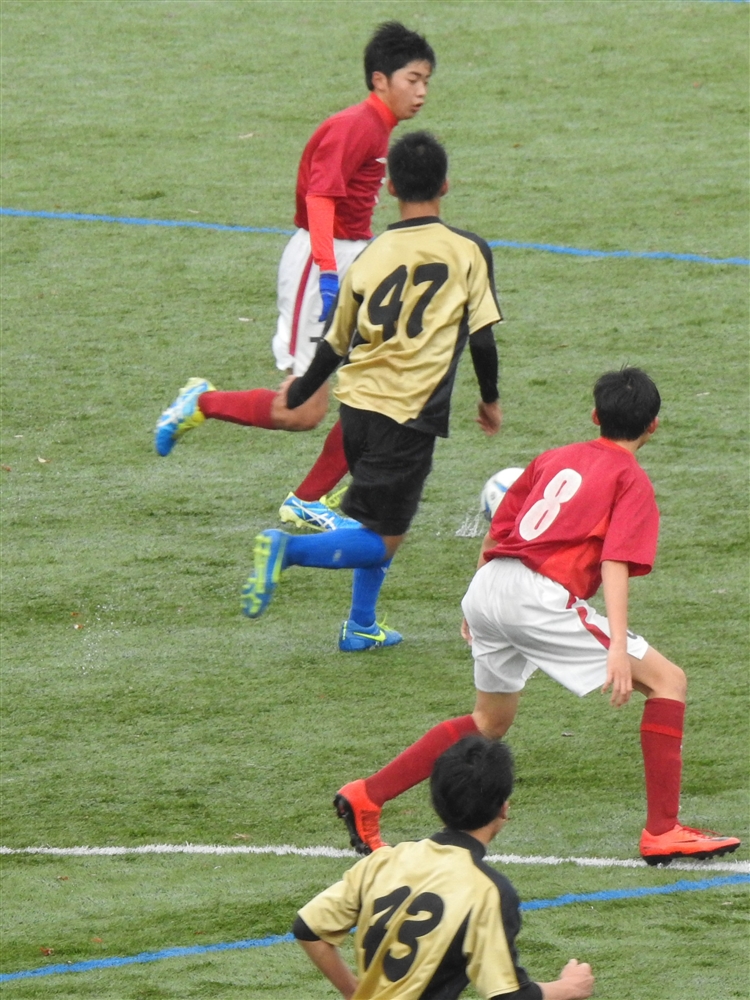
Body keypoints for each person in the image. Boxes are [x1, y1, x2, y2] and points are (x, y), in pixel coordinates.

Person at [333, 368, 741, 865]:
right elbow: (614, 562)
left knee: (489, 720)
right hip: (538, 597)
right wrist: (616, 646)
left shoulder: (554, 457)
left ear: (595, 416)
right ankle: (663, 831)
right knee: (668, 682)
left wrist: (475, 599)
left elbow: (499, 527)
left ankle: (366, 795)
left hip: (491, 584)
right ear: (653, 425)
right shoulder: (630, 478)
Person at [154, 21, 435, 533]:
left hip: (351, 258)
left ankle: (309, 497)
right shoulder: (356, 126)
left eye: (426, 82)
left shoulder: (377, 127)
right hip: (319, 263)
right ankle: (203, 403)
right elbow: (319, 200)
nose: (421, 92)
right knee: (303, 411)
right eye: (413, 80)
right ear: (380, 80)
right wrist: (328, 273)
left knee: (382, 383)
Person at [240, 131, 503, 651]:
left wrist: (301, 392)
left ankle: (361, 625)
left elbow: (333, 343)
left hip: (355, 407)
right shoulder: (469, 250)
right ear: (446, 185)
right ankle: (286, 550)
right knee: (381, 541)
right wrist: (489, 399)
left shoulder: (370, 253)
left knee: (376, 518)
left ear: (389, 188)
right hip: (408, 413)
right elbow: (482, 337)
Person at [294, 736, 595, 1000]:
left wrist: (352, 991)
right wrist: (569, 987)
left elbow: (308, 928)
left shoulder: (384, 861)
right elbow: (509, 995)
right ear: (504, 808)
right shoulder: (488, 891)